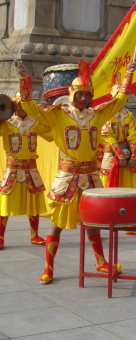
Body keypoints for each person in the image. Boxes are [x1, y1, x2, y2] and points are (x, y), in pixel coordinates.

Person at [15, 58, 136, 284]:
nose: (84, 98)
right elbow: (31, 107)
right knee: (57, 225)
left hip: (91, 178)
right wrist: (24, 79)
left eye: (87, 94)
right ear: (71, 94)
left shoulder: (97, 115)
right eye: (80, 94)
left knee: (93, 223)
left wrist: (129, 74)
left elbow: (119, 101)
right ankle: (48, 267)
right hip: (68, 178)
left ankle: (101, 261)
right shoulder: (57, 114)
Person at [0, 93, 53, 251]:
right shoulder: (6, 123)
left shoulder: (35, 123)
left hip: (31, 169)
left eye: (24, 104)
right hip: (13, 169)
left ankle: (35, 235)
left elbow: (51, 135)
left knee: (34, 204)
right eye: (18, 104)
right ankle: (0, 236)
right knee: (4, 204)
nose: (20, 107)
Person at [98, 72, 136, 189]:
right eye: (117, 94)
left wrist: (133, 157)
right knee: (108, 179)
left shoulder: (129, 115)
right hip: (110, 153)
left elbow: (133, 136)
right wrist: (120, 156)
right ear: (112, 96)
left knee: (127, 180)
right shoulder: (107, 113)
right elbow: (107, 135)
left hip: (127, 152)